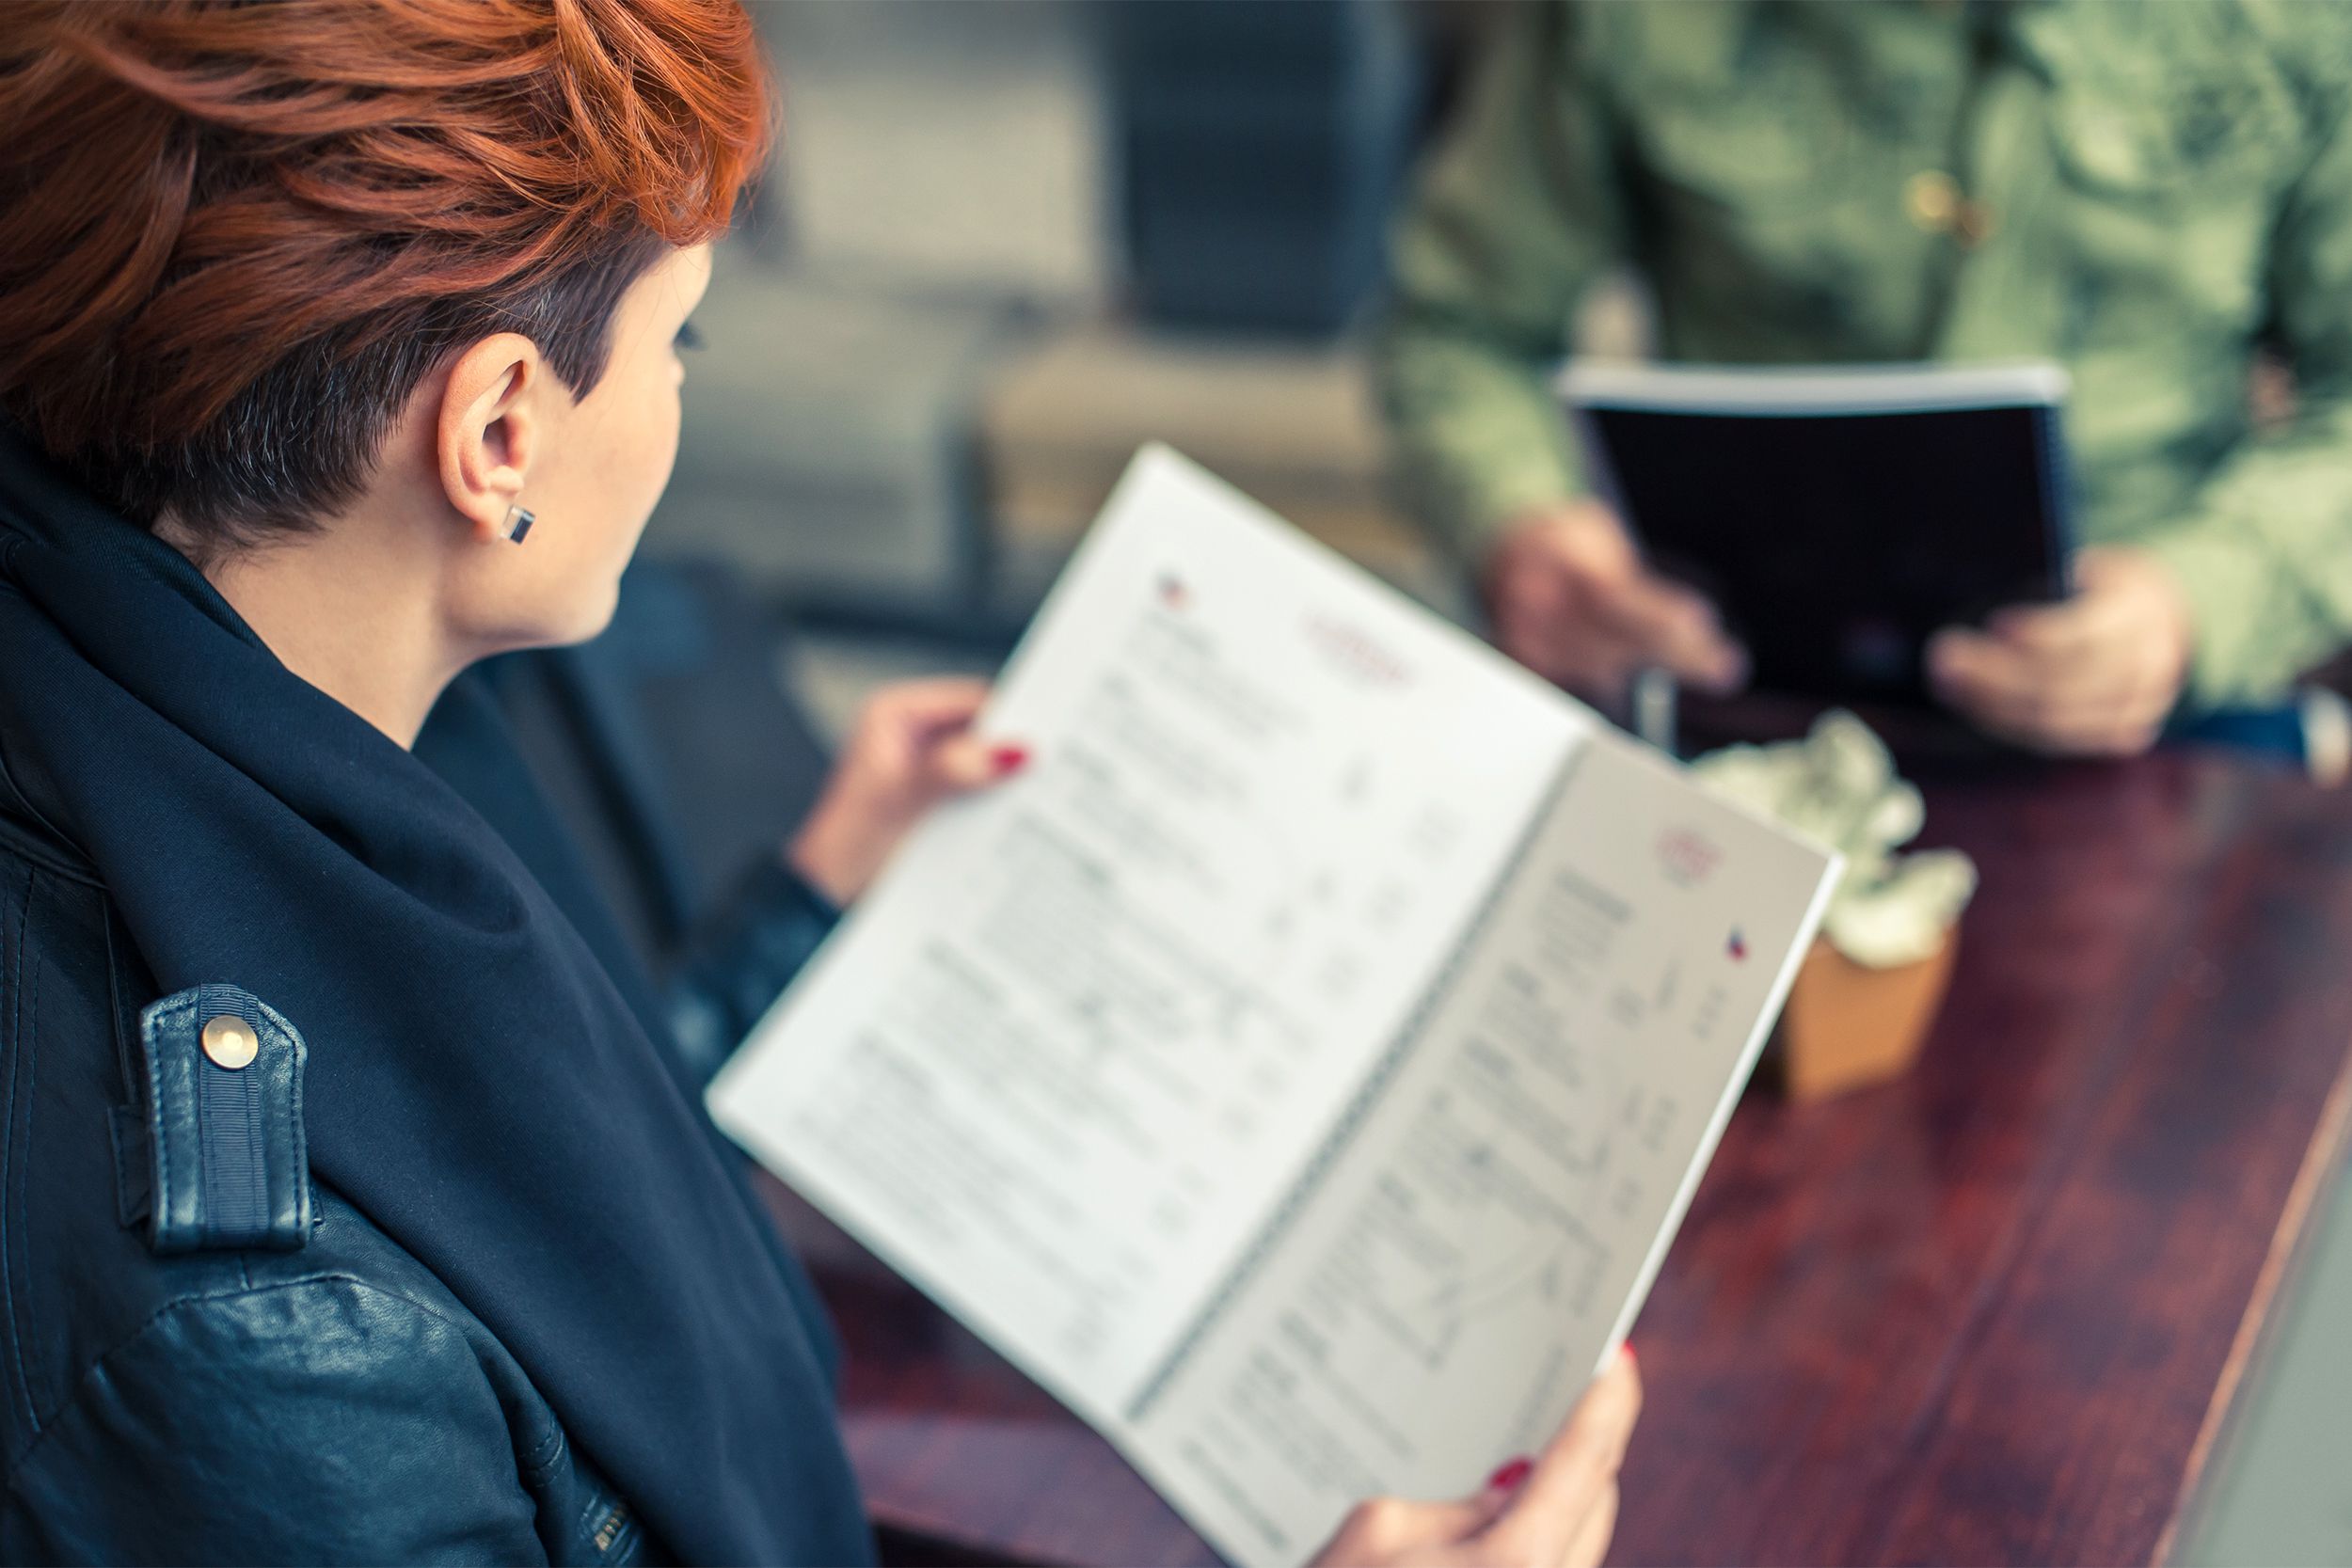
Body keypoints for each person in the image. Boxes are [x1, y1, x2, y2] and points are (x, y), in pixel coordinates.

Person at [0, 2, 1637, 1561]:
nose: (679, 393)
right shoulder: (263, 1348)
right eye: (677, 333)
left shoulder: (229, 702)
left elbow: (506, 1174)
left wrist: (808, 901)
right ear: (498, 431)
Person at [1375, 0, 2352, 757]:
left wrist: (2197, 601)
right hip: (1724, 698)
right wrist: (1521, 526)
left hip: (2151, 722)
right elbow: (1459, 328)